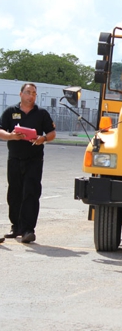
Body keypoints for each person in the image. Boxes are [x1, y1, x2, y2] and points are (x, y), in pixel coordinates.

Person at [0, 83, 56, 243]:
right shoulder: (11, 112)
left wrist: (43, 139)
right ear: (20, 94)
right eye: (28, 92)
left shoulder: (41, 113)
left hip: (34, 159)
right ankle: (16, 227)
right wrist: (10, 136)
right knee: (14, 193)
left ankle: (28, 230)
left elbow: (51, 133)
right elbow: (1, 130)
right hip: (15, 159)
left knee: (31, 193)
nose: (31, 96)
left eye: (34, 93)